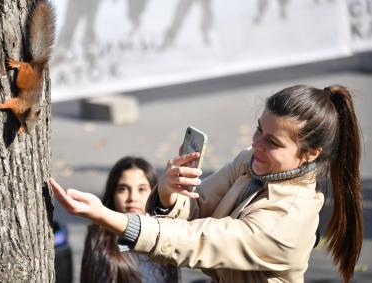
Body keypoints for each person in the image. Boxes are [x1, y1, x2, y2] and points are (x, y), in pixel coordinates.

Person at [50, 85, 363, 283]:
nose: (256, 145)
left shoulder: (285, 221)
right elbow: (199, 207)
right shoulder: (250, 162)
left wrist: (107, 217)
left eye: (272, 142)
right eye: (258, 130)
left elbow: (197, 240)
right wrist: (169, 193)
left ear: (310, 154)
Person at [77, 156, 179, 283]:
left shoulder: (166, 234)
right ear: (112, 194)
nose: (133, 198)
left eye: (142, 189)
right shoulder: (99, 240)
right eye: (123, 189)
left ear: (154, 193)